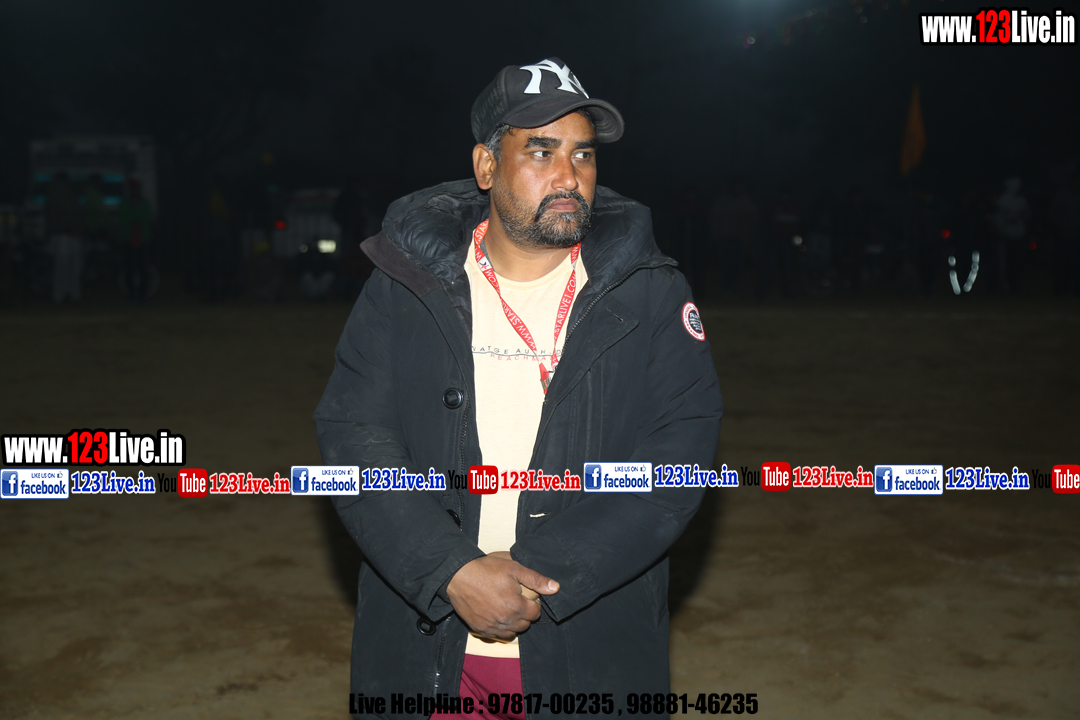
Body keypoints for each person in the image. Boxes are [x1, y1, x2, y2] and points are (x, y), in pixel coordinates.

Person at [315, 57, 723, 719]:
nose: (568, 176)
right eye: (540, 151)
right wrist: (450, 569)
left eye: (582, 154)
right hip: (427, 651)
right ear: (486, 166)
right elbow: (354, 439)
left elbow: (678, 456)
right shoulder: (406, 284)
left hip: (587, 650)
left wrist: (546, 574)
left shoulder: (649, 291)